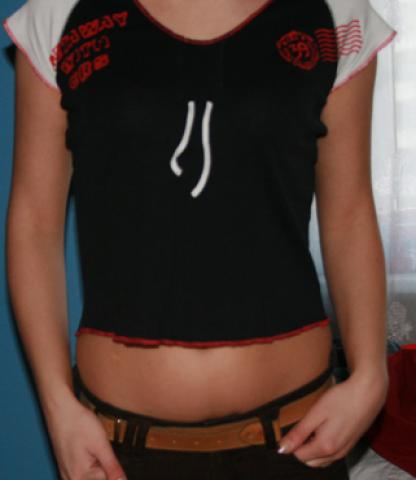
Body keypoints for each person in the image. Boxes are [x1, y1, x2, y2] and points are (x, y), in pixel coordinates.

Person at [3, 0, 397, 479]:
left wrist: (371, 376)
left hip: (296, 441)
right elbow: (34, 222)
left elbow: (349, 212)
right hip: (116, 454)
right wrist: (56, 405)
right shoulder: (61, 13)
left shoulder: (336, 14)